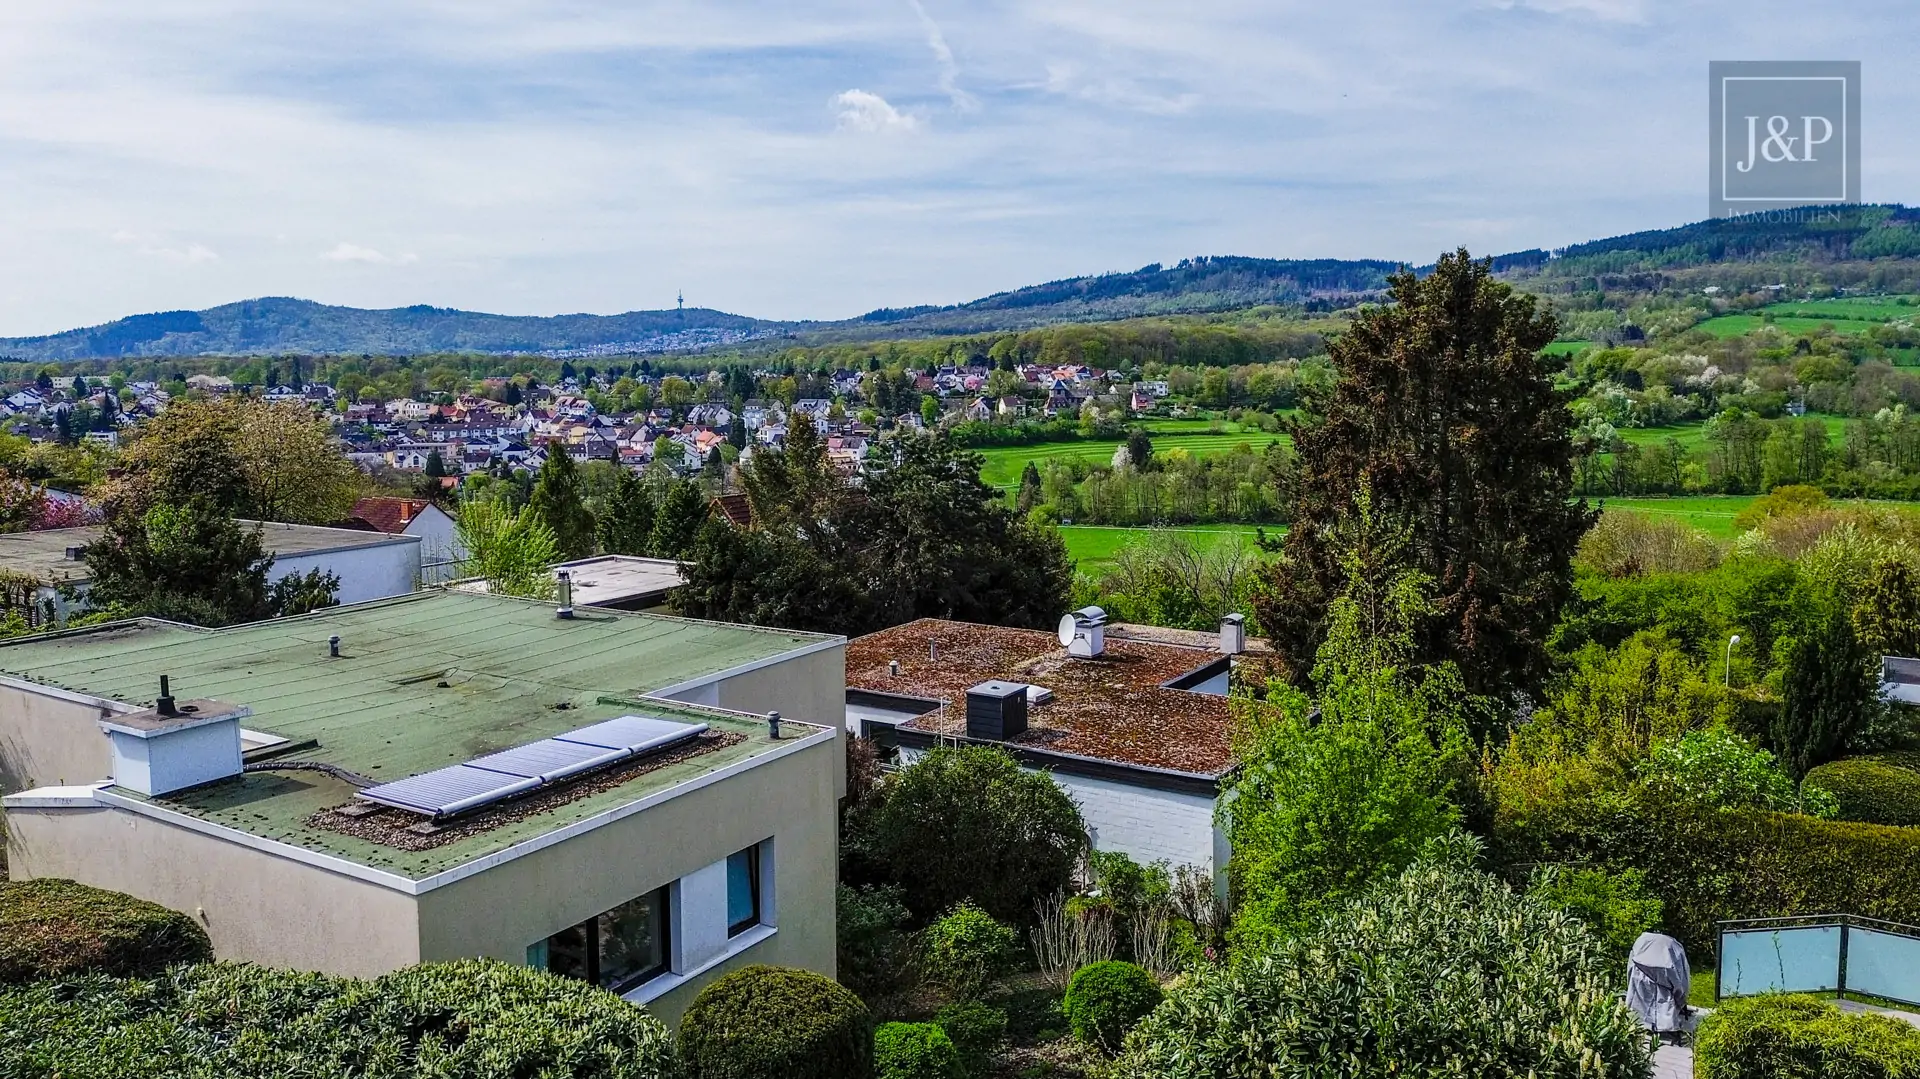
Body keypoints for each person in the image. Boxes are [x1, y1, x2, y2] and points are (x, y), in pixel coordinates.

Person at [1627, 931, 1692, 1040]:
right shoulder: (1674, 947)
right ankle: (1666, 1028)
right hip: (1665, 985)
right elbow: (1681, 977)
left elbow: (1630, 968)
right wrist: (1680, 997)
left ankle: (1641, 1023)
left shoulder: (1642, 941)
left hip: (1639, 980)